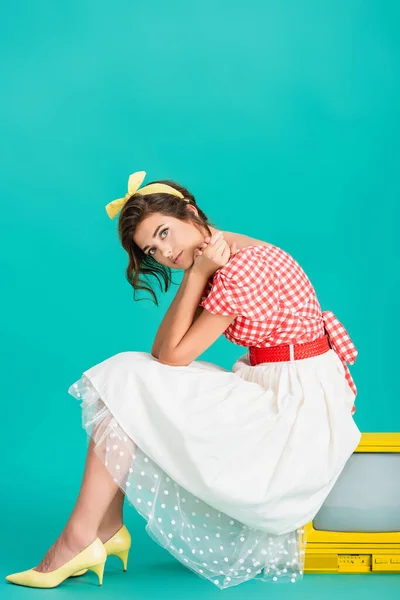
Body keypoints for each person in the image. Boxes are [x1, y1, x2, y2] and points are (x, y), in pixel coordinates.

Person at [6, 170, 361, 590]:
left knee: (127, 379)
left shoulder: (239, 271)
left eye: (165, 233)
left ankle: (86, 536)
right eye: (152, 249)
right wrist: (199, 269)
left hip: (291, 415)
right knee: (127, 377)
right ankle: (99, 530)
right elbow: (162, 353)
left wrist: (195, 275)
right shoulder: (229, 252)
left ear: (190, 213)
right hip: (279, 386)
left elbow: (171, 357)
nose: (165, 252)